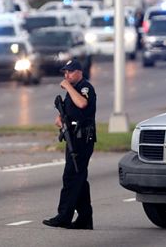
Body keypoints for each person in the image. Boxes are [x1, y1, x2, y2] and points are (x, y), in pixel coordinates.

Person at [43, 59, 97, 230]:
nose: (66, 75)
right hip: (73, 137)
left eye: (70, 72)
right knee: (79, 178)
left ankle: (64, 216)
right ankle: (84, 218)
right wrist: (61, 119)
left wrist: (67, 86)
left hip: (83, 139)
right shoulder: (72, 91)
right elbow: (70, 111)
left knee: (71, 177)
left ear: (79, 72)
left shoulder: (84, 87)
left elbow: (82, 103)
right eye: (65, 72)